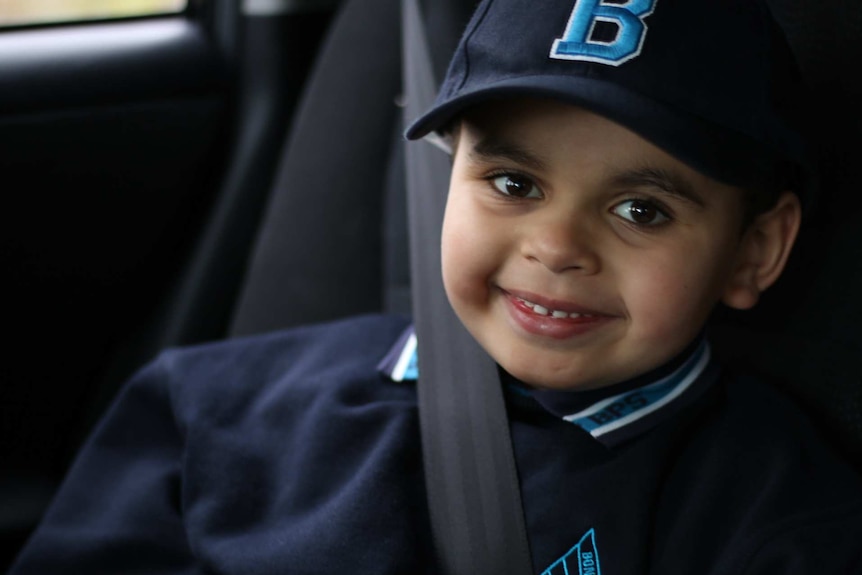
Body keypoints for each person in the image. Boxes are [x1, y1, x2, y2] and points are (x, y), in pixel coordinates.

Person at [10, 0, 862, 573]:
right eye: (515, 184)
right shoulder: (211, 405)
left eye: (641, 208)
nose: (558, 246)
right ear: (447, 174)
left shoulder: (778, 515)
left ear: (757, 249)